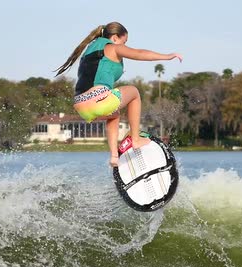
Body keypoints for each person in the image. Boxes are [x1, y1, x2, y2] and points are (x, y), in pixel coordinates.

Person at [54, 22, 182, 167]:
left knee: (114, 114)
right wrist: (168, 56)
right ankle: (135, 139)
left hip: (80, 105)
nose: (124, 45)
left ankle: (114, 156)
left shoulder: (90, 50)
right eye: (124, 41)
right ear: (115, 38)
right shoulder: (113, 47)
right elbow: (140, 54)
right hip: (98, 100)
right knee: (134, 92)